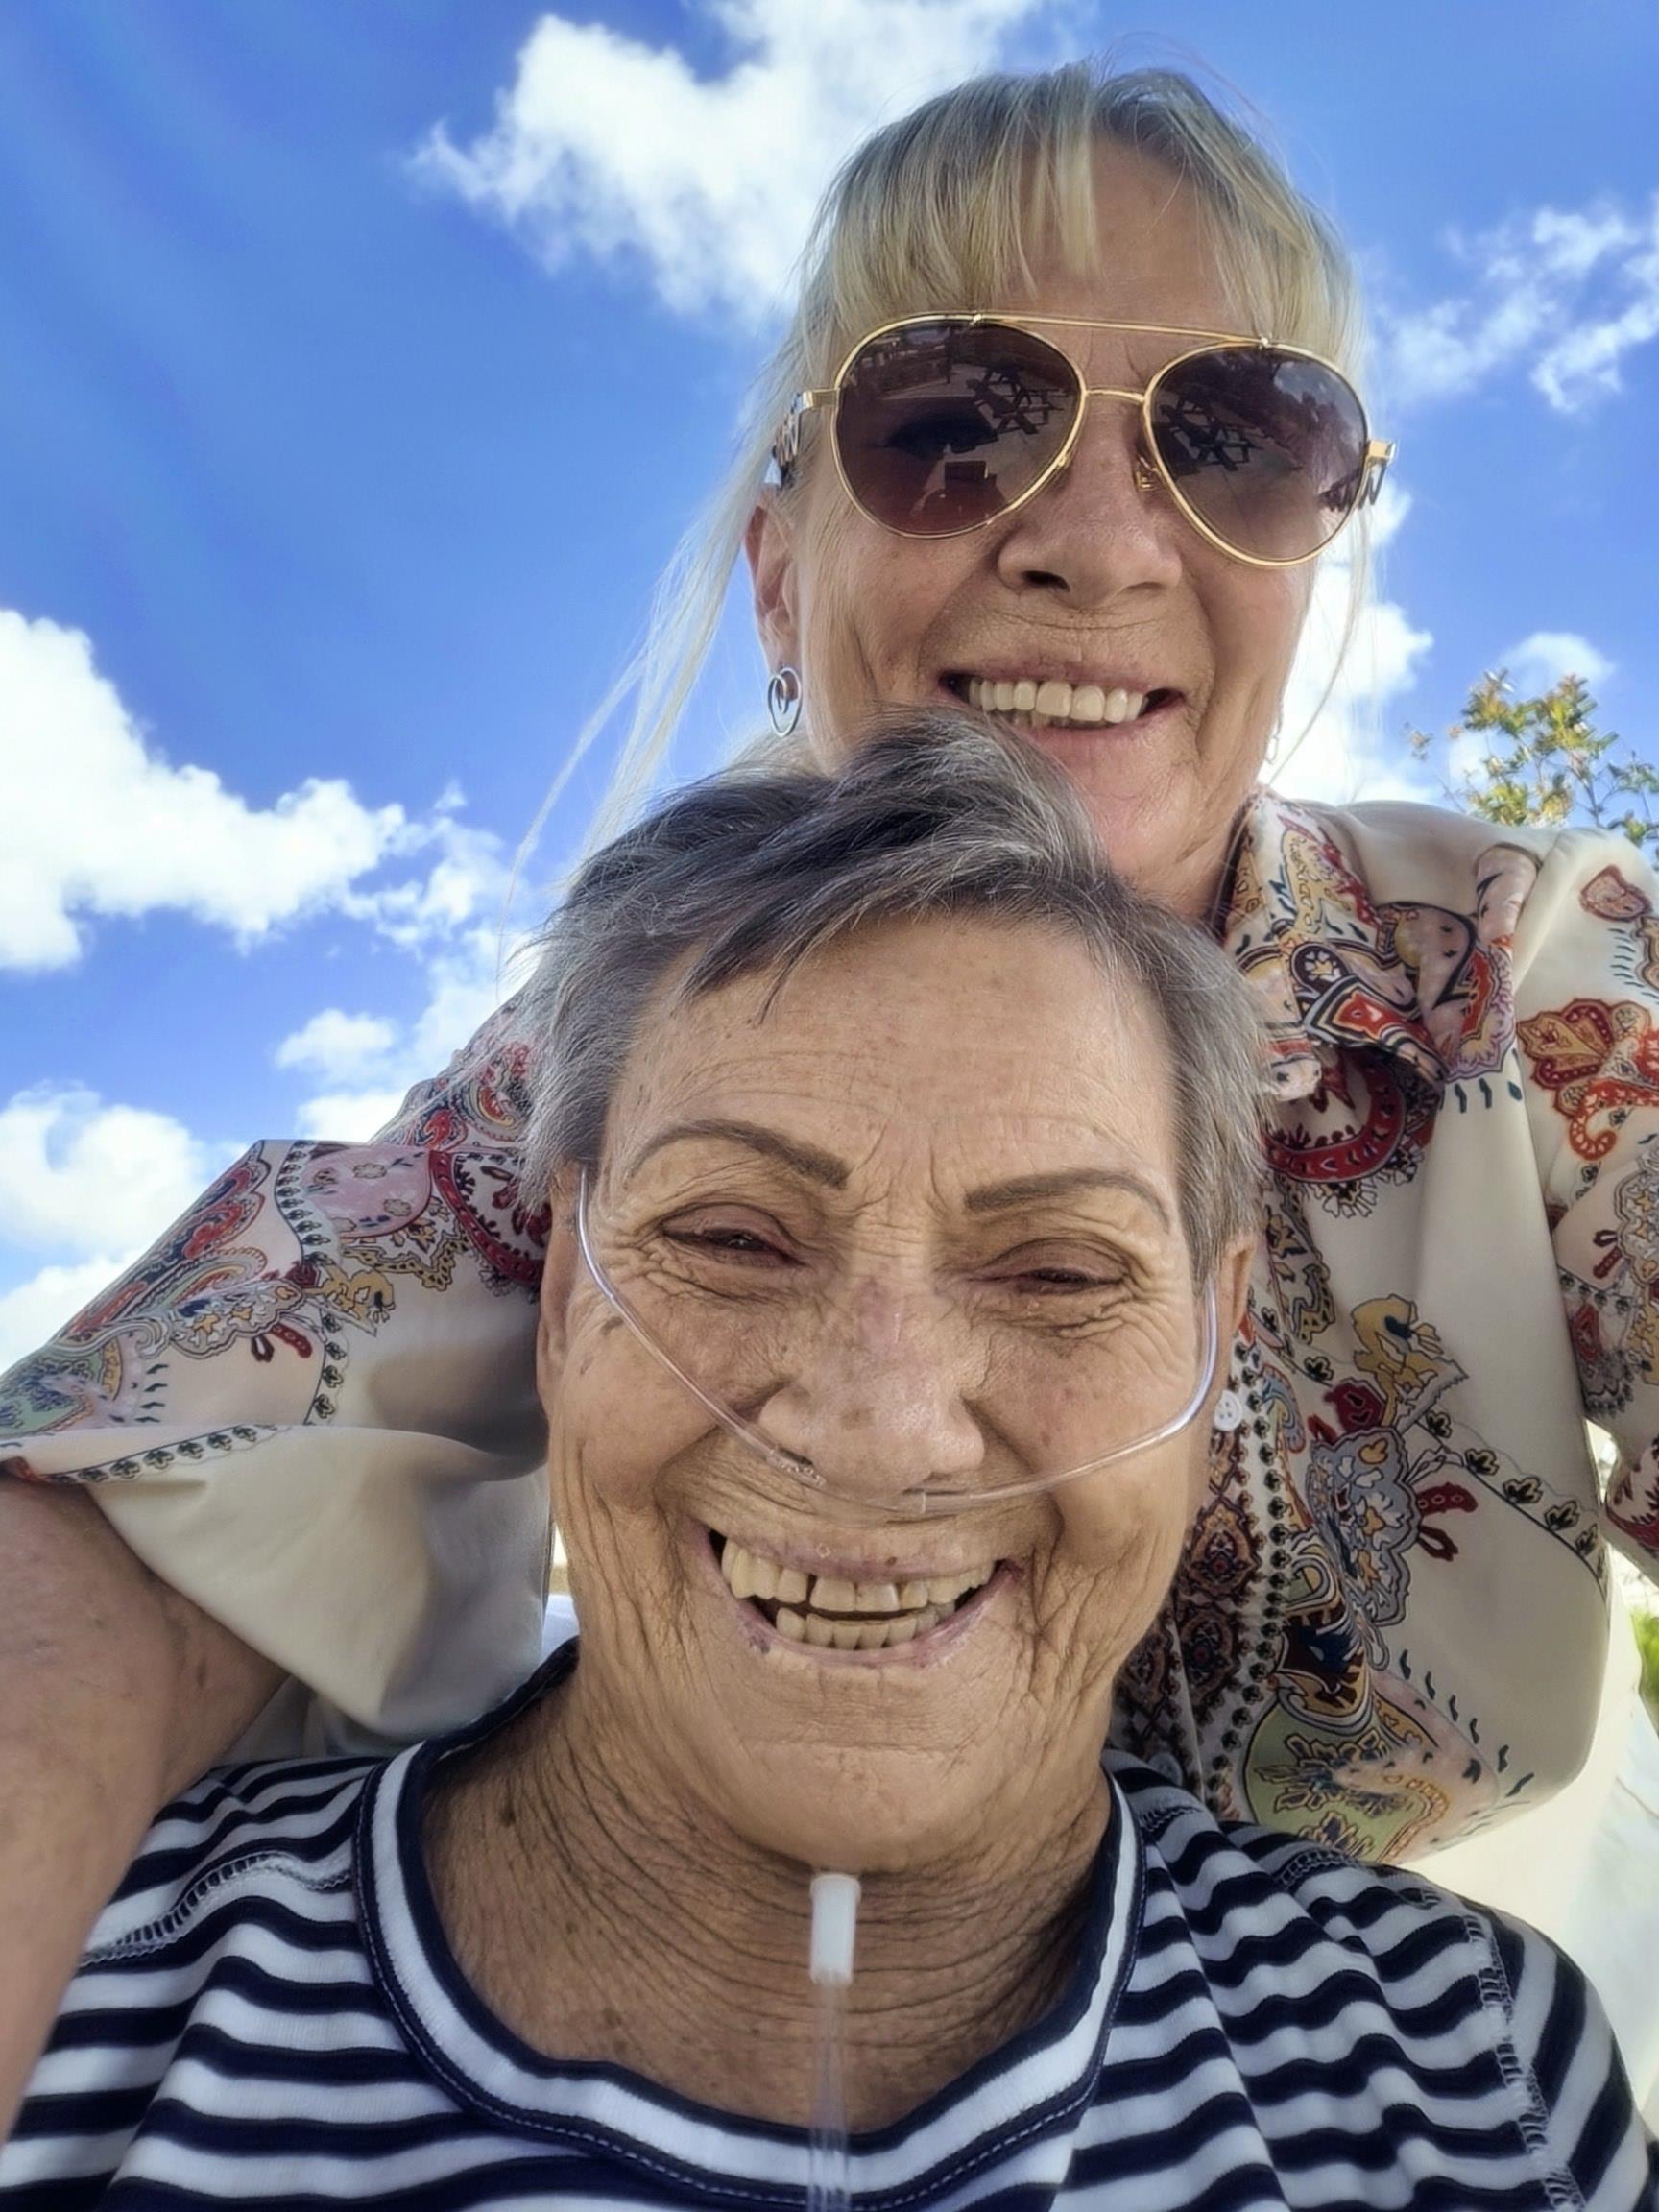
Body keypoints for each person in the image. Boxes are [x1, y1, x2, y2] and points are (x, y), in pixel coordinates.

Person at [4, 55, 1658, 2125]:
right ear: (783, 576)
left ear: (1316, 536)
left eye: (1234, 440)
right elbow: (183, 1464)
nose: (1098, 541)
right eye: (955, 423)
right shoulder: (628, 1042)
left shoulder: (1523, 975)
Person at [4, 725, 1652, 2210]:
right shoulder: (86, 1985)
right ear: (562, 1287)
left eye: (1063, 1272)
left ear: (1217, 1342)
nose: (879, 1428)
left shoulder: (1475, 2079)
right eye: (728, 1237)